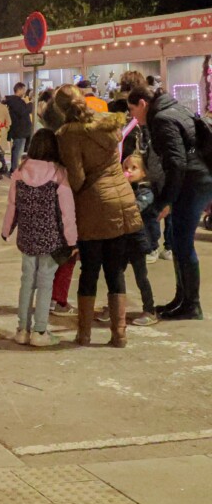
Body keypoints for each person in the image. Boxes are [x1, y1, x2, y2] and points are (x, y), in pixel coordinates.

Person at [54, 84, 141, 347]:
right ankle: (119, 334)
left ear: (60, 109)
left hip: (94, 205)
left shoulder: (69, 134)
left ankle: (84, 333)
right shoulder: (106, 122)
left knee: (90, 270)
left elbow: (78, 178)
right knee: (116, 270)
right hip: (122, 200)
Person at [128, 85, 212, 320]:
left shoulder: (162, 119)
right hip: (199, 177)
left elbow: (176, 163)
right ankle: (182, 299)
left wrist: (166, 200)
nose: (133, 117)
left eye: (133, 110)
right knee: (177, 240)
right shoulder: (173, 108)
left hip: (193, 181)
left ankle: (191, 305)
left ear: (143, 104)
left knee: (183, 242)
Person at [1, 128, 77, 347]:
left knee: (27, 282)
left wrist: (7, 230)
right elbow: (67, 212)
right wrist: (72, 241)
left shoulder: (20, 171)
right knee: (45, 284)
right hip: (51, 239)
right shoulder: (59, 173)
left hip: (27, 238)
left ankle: (21, 329)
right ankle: (40, 331)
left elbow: (12, 206)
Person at [113, 154, 159, 326]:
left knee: (141, 276)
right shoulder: (124, 188)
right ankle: (116, 307)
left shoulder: (146, 192)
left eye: (134, 168)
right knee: (116, 274)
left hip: (138, 241)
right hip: (123, 239)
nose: (129, 171)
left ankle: (150, 309)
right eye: (125, 168)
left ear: (144, 172)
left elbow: (137, 207)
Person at [6, 83, 33, 171]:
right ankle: (14, 169)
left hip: (19, 129)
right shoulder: (16, 101)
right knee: (17, 150)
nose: (24, 92)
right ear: (19, 89)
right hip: (20, 130)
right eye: (23, 90)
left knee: (17, 150)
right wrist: (29, 103)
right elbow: (24, 111)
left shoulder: (14, 101)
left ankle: (14, 168)